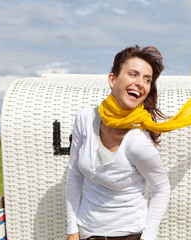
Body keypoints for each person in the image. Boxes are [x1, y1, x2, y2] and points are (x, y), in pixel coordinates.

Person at [66, 45, 171, 240]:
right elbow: (74, 175)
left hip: (128, 235)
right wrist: (72, 231)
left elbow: (161, 189)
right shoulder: (84, 119)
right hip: (85, 233)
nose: (140, 83)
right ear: (112, 79)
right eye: (133, 74)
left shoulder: (139, 142)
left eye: (147, 80)